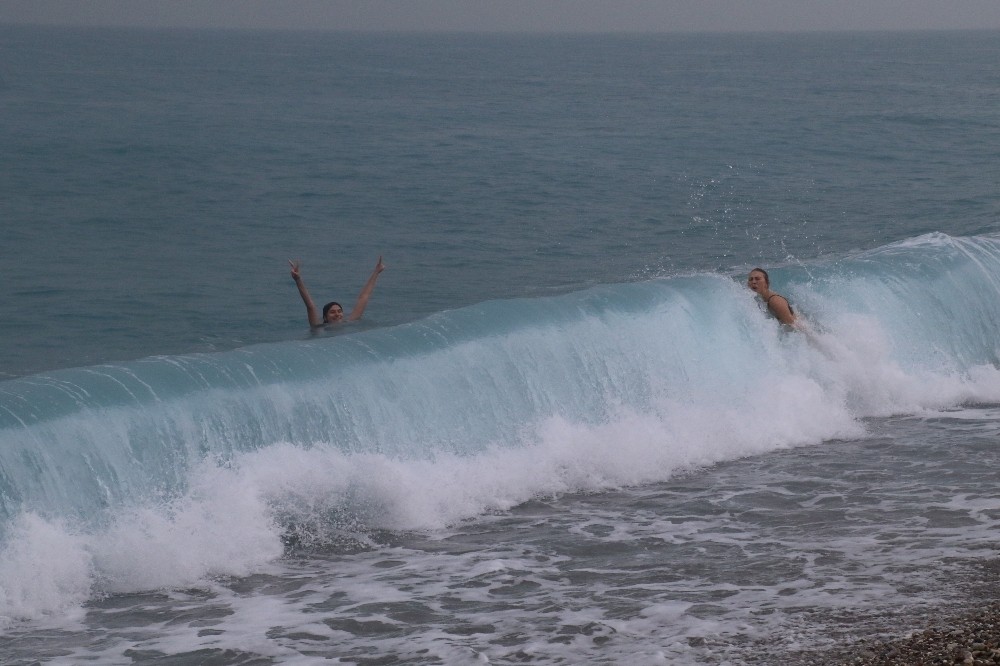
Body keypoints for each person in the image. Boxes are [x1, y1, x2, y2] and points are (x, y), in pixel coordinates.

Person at [289, 256, 385, 328]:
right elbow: (310, 306)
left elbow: (363, 298)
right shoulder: (318, 327)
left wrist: (376, 272)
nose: (337, 314)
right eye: (332, 312)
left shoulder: (349, 322)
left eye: (339, 311)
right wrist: (298, 279)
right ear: (325, 318)